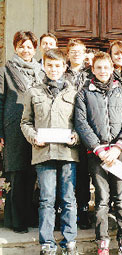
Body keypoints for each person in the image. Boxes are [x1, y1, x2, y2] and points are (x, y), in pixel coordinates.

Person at [74, 51, 122, 255]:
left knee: (121, 198)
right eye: (98, 67)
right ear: (93, 69)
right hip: (97, 154)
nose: (102, 71)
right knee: (101, 199)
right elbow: (81, 124)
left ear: (111, 69)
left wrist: (118, 147)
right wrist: (98, 149)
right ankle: (102, 241)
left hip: (119, 153)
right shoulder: (84, 93)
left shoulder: (121, 92)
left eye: (106, 67)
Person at [21, 48, 79, 255]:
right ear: (44, 66)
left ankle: (69, 241)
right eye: (49, 65)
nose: (54, 69)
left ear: (65, 67)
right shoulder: (34, 92)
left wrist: (76, 137)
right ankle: (47, 243)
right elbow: (25, 122)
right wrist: (33, 136)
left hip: (67, 154)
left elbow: (80, 123)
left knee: (68, 199)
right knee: (46, 199)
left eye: (58, 65)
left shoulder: (74, 93)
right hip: (43, 152)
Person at [0, 30, 44, 233]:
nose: (25, 50)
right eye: (21, 46)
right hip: (14, 128)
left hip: (36, 126)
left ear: (35, 49)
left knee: (33, 173)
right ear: (15, 47)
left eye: (29, 46)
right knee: (17, 173)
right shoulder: (5, 71)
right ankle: (16, 220)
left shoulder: (41, 71)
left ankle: (30, 215)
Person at [65, 38, 92, 230]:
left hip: (85, 127)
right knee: (66, 174)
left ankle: (83, 211)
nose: (76, 54)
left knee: (83, 174)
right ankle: (65, 213)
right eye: (72, 51)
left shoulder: (91, 74)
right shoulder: (60, 73)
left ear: (84, 54)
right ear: (67, 54)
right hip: (64, 126)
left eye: (79, 51)